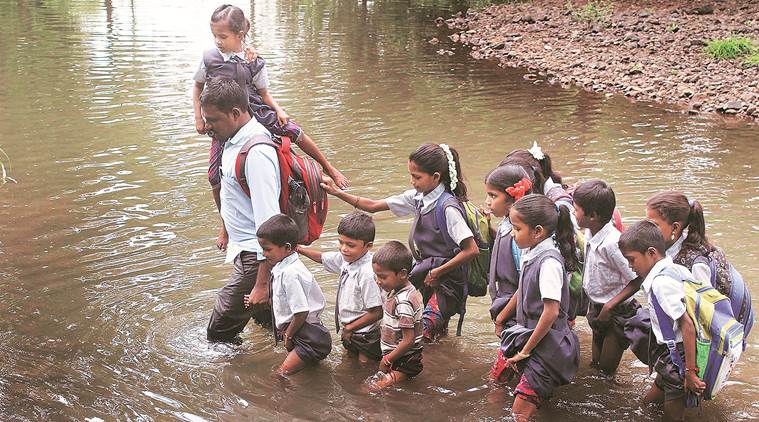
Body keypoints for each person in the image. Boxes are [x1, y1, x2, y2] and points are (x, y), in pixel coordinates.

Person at [192, 4, 347, 250]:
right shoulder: (209, 58)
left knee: (295, 133)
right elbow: (198, 87)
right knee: (215, 177)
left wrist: (279, 109)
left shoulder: (254, 60)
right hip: (226, 121)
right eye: (215, 36)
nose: (218, 41)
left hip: (254, 109)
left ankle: (330, 169)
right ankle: (226, 225)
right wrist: (199, 117)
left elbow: (264, 93)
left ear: (239, 35)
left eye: (223, 36)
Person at [320, 143, 479, 342]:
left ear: (436, 177)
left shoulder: (448, 208)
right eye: (411, 175)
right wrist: (337, 193)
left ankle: (424, 367)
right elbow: (373, 206)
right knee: (432, 332)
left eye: (417, 177)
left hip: (445, 281)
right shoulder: (418, 198)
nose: (412, 181)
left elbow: (471, 250)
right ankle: (443, 360)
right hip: (426, 274)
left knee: (421, 332)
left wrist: (437, 272)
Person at [201, 77, 280, 343]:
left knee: (219, 331)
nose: (206, 127)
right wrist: (225, 229)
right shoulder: (231, 141)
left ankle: (233, 380)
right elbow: (233, 197)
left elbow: (269, 223)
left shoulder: (256, 153)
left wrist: (261, 281)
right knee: (272, 324)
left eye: (212, 120)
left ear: (235, 113)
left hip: (256, 257)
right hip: (245, 250)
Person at [490, 194, 580, 422]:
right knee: (496, 379)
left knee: (519, 413)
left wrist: (525, 352)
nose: (512, 233)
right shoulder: (532, 252)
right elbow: (523, 288)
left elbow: (551, 312)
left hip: (549, 345)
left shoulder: (549, 262)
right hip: (531, 335)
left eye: (517, 228)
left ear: (538, 231)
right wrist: (502, 317)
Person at [618, 220, 706, 421]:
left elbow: (687, 325)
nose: (631, 267)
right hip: (670, 356)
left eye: (632, 260)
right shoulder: (675, 269)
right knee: (646, 406)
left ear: (651, 253)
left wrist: (690, 372)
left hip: (678, 359)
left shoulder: (661, 284)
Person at [573, 179, 649, 374]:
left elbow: (639, 277)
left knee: (606, 368)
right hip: (598, 306)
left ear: (593, 215)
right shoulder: (590, 232)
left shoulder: (613, 244)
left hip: (618, 310)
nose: (574, 213)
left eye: (576, 209)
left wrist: (609, 306)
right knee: (595, 364)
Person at [247, 214, 331, 375]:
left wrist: (289, 336)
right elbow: (286, 300)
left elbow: (301, 312)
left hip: (307, 338)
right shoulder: (282, 268)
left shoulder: (290, 273)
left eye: (267, 249)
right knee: (310, 374)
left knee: (280, 375)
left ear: (287, 247)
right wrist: (269, 301)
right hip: (306, 335)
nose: (264, 254)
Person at [297, 211, 383, 362]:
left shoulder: (367, 272)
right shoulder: (347, 259)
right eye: (340, 242)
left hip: (366, 334)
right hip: (351, 329)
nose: (343, 248)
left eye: (350, 245)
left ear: (368, 246)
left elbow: (376, 312)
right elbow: (322, 258)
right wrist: (299, 249)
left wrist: (350, 328)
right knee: (349, 364)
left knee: (364, 367)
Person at [646, 191, 731, 296]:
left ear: (675, 228)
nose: (647, 228)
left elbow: (709, 305)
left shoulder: (695, 265)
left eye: (654, 224)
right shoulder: (668, 247)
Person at [483, 165, 533, 336]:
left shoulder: (521, 237)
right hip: (507, 306)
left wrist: (501, 318)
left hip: (516, 313)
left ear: (512, 200)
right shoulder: (508, 223)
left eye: (493, 196)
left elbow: (525, 283)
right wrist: (488, 228)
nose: (487, 201)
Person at [370, 241, 424, 389]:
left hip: (405, 360)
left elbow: (408, 340)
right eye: (376, 276)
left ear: (402, 274)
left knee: (372, 389)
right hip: (400, 356)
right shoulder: (400, 291)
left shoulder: (403, 301)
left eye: (382, 277)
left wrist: (387, 360)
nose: (378, 281)